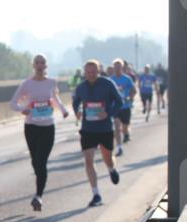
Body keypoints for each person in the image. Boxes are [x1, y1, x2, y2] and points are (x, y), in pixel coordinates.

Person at [9, 54, 70, 211]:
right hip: (31, 127)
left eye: (42, 62)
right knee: (35, 161)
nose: (40, 65)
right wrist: (23, 109)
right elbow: (13, 103)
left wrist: (63, 110)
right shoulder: (27, 84)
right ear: (33, 65)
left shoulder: (52, 82)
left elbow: (55, 98)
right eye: (37, 62)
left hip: (48, 126)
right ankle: (39, 186)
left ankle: (38, 196)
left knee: (41, 162)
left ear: (46, 66)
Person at [72, 60, 122, 207]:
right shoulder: (81, 87)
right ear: (85, 73)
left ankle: (111, 169)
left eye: (93, 72)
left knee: (107, 158)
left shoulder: (108, 84)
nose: (91, 75)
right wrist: (77, 111)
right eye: (88, 72)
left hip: (104, 128)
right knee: (88, 160)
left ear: (98, 71)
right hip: (88, 129)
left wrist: (108, 112)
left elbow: (119, 101)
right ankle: (96, 194)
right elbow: (75, 102)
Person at [110, 59, 136, 155]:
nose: (117, 69)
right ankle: (119, 147)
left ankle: (126, 134)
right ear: (113, 68)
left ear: (122, 67)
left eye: (119, 67)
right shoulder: (110, 80)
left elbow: (133, 90)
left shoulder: (127, 79)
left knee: (125, 126)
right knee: (116, 126)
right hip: (115, 107)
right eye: (115, 67)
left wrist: (130, 97)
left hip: (125, 106)